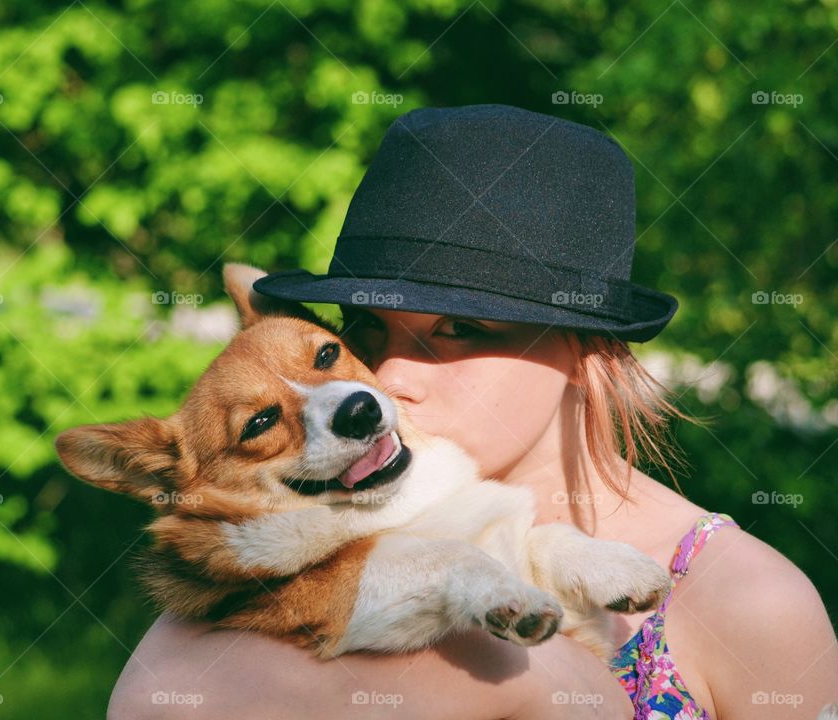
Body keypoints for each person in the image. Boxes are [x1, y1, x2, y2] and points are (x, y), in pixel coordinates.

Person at [109, 105, 838, 719]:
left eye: (461, 331)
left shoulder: (749, 604)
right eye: (365, 328)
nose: (388, 378)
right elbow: (149, 702)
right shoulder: (308, 544)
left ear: (589, 349)